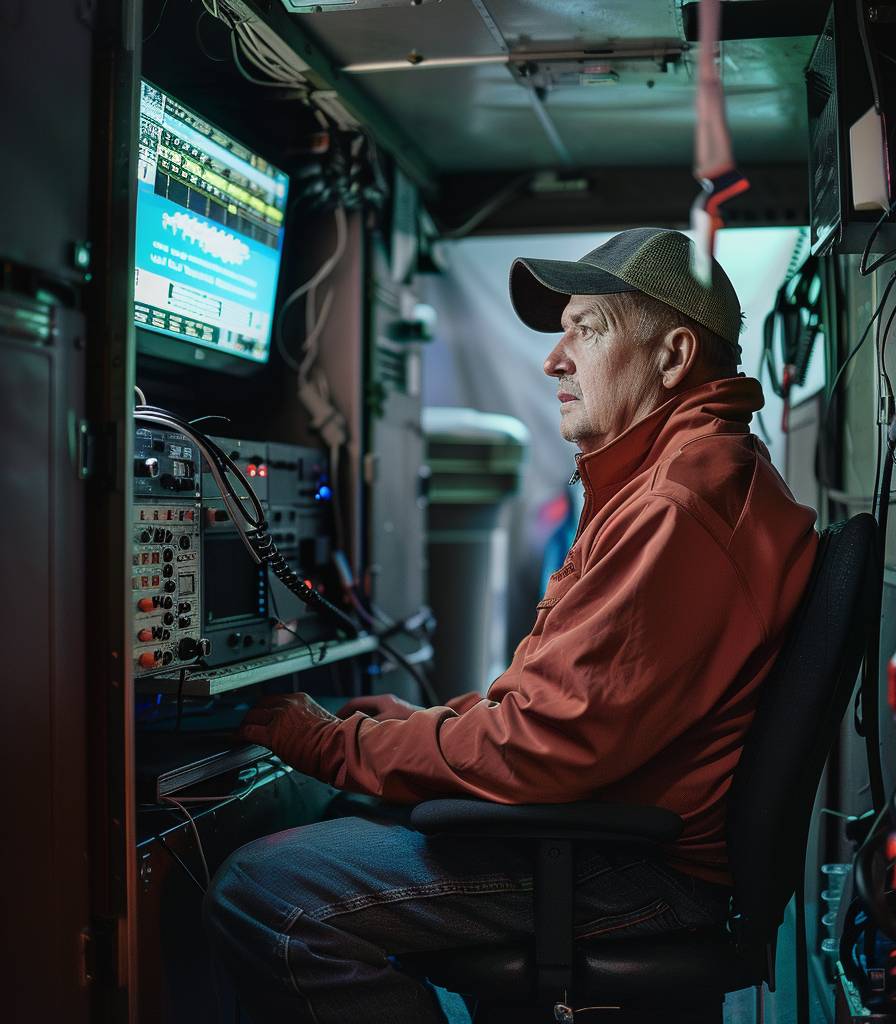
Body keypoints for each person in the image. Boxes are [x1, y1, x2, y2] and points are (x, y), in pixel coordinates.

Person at [204, 227, 819, 1023]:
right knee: (350, 818)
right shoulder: (675, 475)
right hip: (611, 832)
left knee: (268, 894)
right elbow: (562, 699)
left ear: (671, 357)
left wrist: (336, 746)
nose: (552, 359)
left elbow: (545, 746)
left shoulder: (675, 506)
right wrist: (430, 726)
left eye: (586, 330)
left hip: (633, 870)